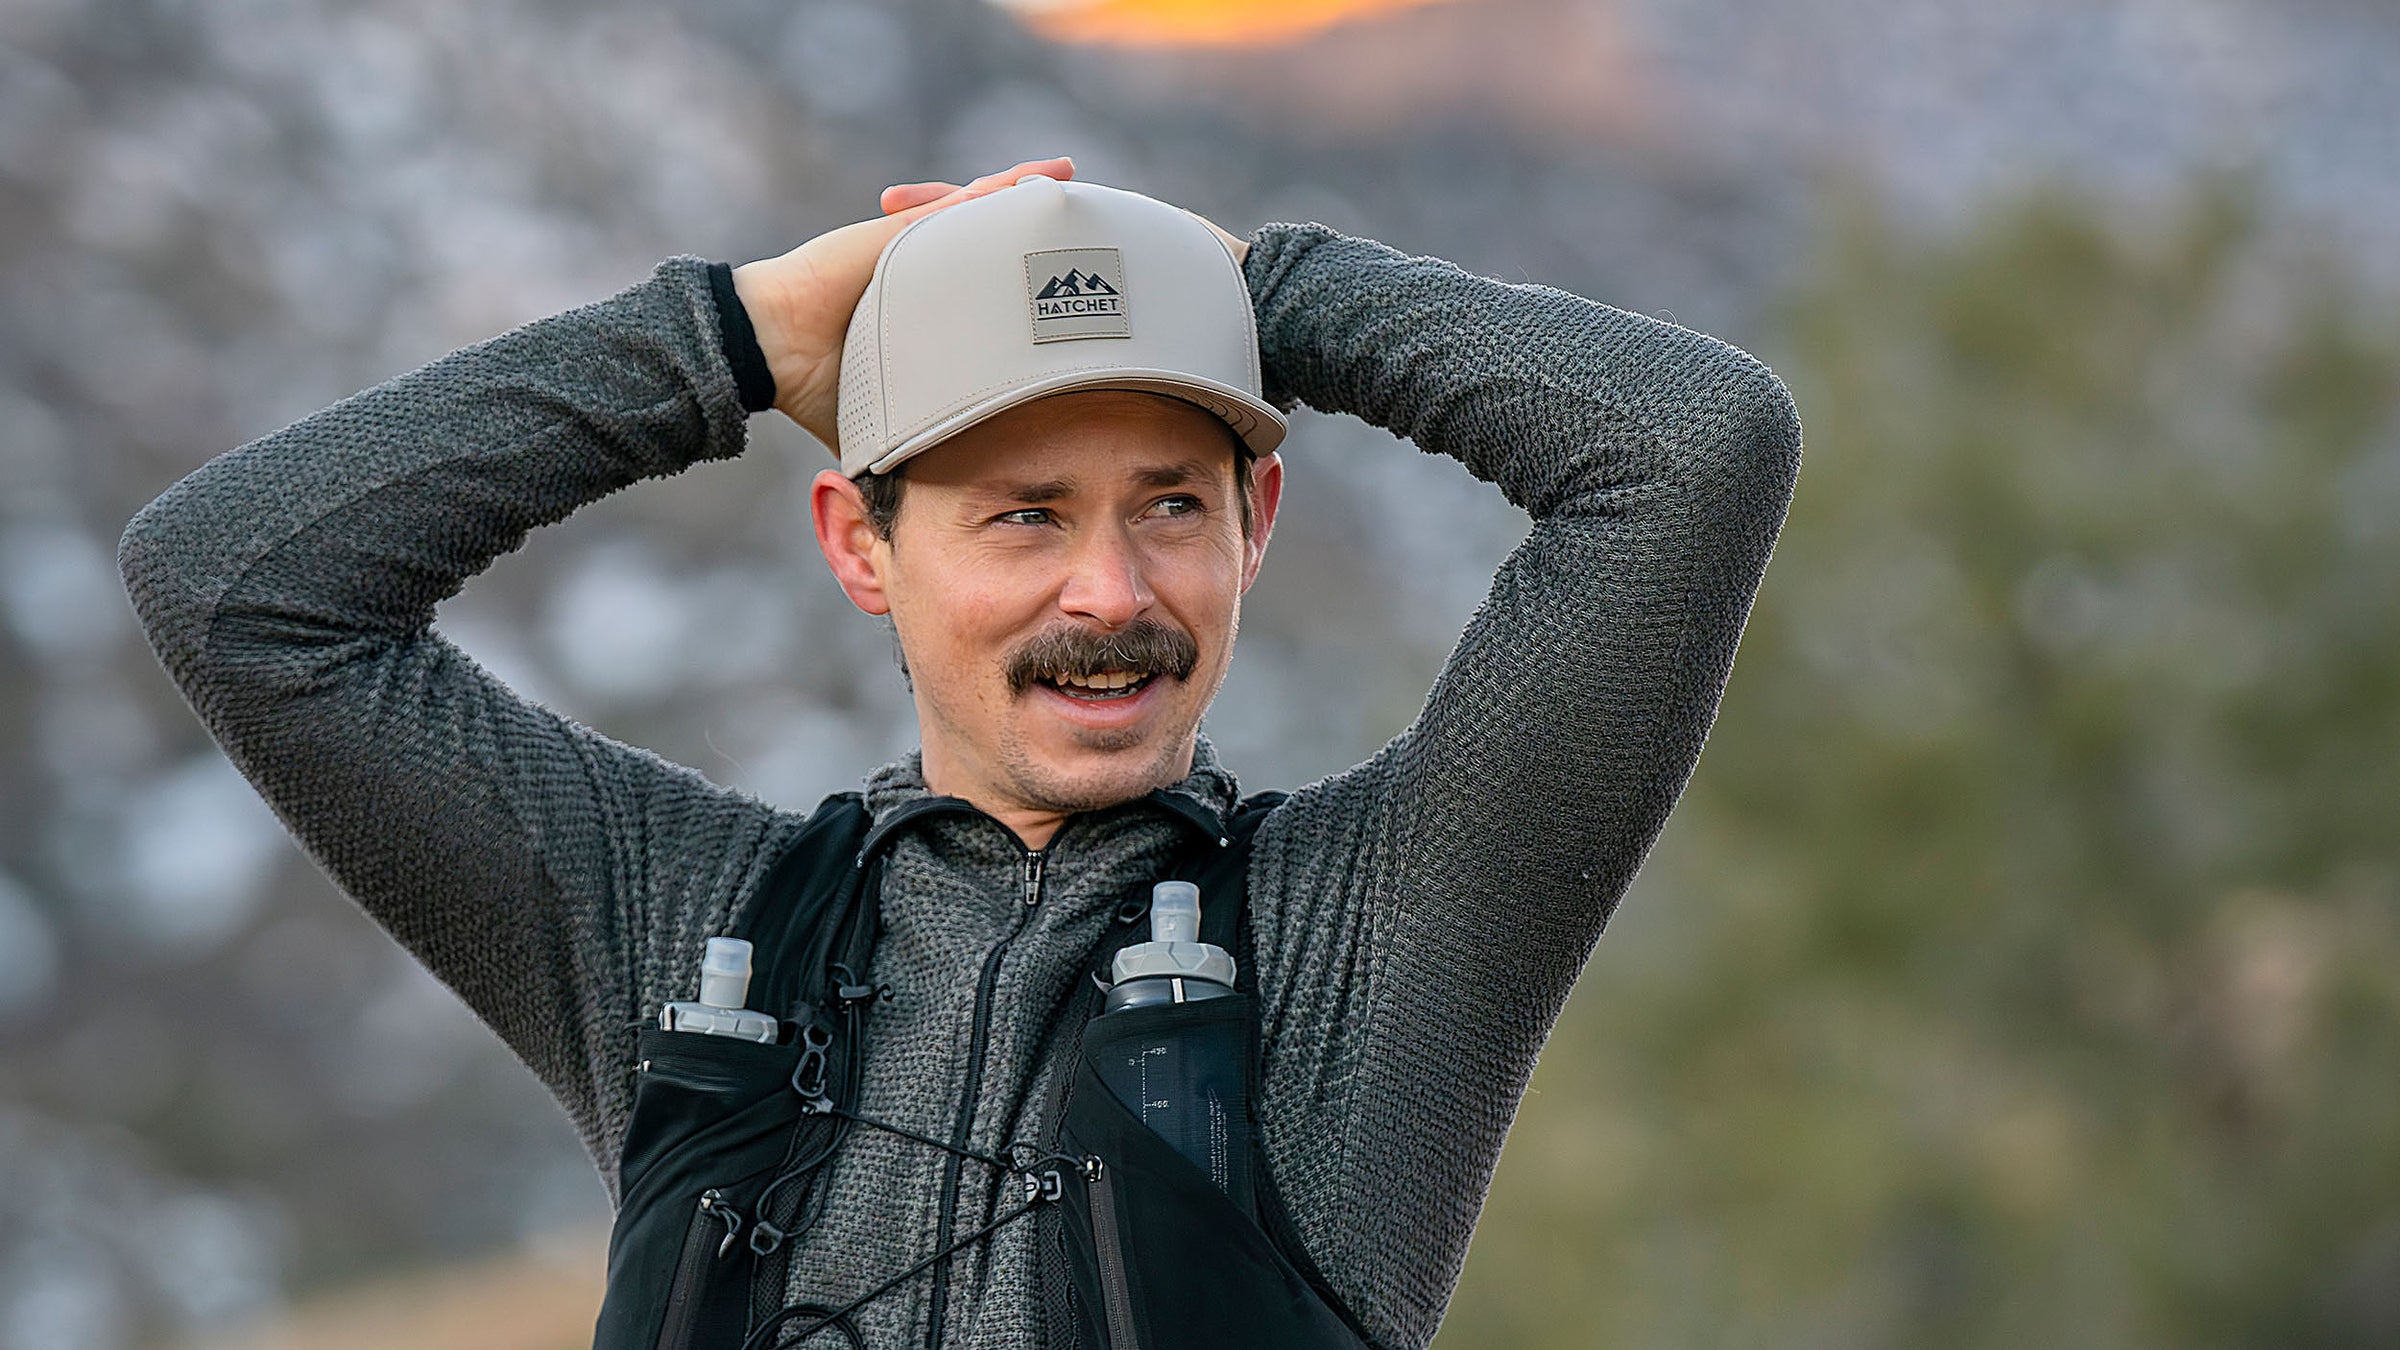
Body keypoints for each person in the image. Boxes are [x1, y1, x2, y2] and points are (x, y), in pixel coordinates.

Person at [118, 155, 1802, 1348]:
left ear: (1257, 521)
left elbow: (1695, 449)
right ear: (860, 545)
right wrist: (728, 342)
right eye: (1023, 515)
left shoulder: (1373, 935)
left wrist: (1260, 290)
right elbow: (238, 588)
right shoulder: (683, 928)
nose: (1112, 591)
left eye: (1171, 503)